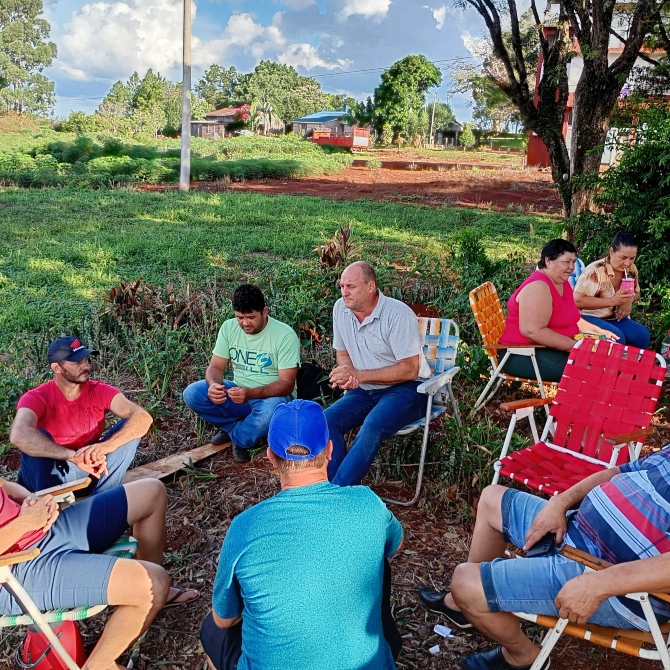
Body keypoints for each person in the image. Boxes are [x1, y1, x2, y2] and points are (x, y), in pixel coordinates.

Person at [418, 447, 670, 670]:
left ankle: (521, 656)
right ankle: (463, 608)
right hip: (575, 528)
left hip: (612, 579)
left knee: (465, 583)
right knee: (491, 498)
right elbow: (616, 472)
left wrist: (600, 584)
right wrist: (559, 503)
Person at [200, 399, 404, 670]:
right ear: (329, 450)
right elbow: (396, 545)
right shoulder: (368, 503)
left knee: (211, 630)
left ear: (271, 457)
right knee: (379, 559)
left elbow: (224, 619)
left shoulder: (245, 527)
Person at [0, 477, 199, 670]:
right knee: (153, 584)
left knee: (151, 492)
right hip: (17, 567)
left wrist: (34, 503)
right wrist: (25, 523)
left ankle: (148, 601)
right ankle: (100, 664)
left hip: (45, 531)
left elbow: (5, 485)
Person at [324, 261, 431, 486]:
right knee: (326, 421)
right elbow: (342, 353)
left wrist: (359, 375)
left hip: (407, 389)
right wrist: (347, 373)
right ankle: (334, 485)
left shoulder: (397, 314)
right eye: (342, 286)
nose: (344, 292)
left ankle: (338, 491)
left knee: (372, 425)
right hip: (366, 389)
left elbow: (409, 369)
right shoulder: (340, 309)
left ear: (371, 287)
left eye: (351, 286)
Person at [10, 336, 152, 495]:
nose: (86, 366)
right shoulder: (36, 397)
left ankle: (102, 497)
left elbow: (143, 417)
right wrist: (72, 456)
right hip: (53, 476)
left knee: (130, 427)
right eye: (77, 362)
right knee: (35, 440)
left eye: (86, 360)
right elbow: (19, 434)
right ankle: (52, 506)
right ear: (57, 368)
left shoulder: (99, 390)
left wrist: (108, 445)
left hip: (91, 470)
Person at [183, 284, 300, 463]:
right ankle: (240, 428)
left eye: (251, 317)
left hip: (273, 397)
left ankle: (239, 438)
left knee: (269, 412)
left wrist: (251, 393)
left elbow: (287, 384)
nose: (245, 323)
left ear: (264, 312)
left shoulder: (285, 335)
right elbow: (215, 367)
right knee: (192, 393)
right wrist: (214, 385)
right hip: (238, 391)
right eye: (239, 317)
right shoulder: (229, 327)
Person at [498, 239, 616, 383]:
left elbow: (572, 319)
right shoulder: (538, 287)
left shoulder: (561, 282)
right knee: (593, 370)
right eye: (566, 262)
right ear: (548, 261)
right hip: (522, 354)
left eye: (573, 262)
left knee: (609, 359)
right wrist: (575, 346)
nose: (571, 267)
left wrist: (599, 332)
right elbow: (533, 331)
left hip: (548, 349)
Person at [574, 232, 650, 349]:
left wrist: (628, 300)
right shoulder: (595, 271)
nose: (627, 263)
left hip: (614, 318)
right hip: (588, 317)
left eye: (632, 258)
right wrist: (612, 301)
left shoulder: (631, 269)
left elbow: (637, 293)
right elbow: (577, 301)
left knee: (642, 335)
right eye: (623, 258)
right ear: (611, 251)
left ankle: (631, 360)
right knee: (617, 338)